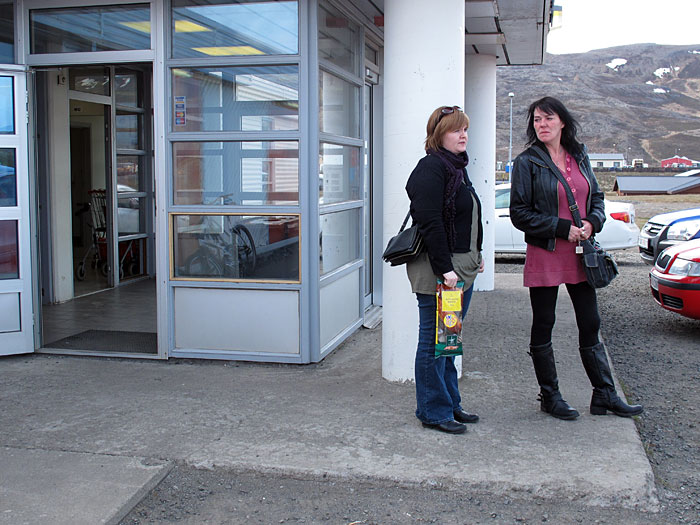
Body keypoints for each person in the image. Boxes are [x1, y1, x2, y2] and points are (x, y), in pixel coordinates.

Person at [510, 96, 643, 420]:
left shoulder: (579, 156)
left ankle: (605, 395)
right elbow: (519, 213)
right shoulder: (527, 162)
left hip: (582, 254)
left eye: (548, 119)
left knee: (591, 321)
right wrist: (560, 227)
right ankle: (550, 396)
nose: (542, 125)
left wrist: (591, 222)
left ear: (562, 122)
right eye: (537, 120)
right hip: (547, 252)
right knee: (544, 323)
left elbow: (596, 197)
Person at [405, 105, 485, 434]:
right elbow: (430, 222)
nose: (463, 134)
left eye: (465, 128)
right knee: (433, 344)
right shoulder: (431, 168)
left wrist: (475, 254)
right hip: (441, 272)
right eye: (455, 129)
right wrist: (446, 269)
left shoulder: (456, 168)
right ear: (439, 135)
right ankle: (433, 411)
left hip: (459, 268)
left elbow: (467, 217)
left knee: (448, 341)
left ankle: (450, 403)